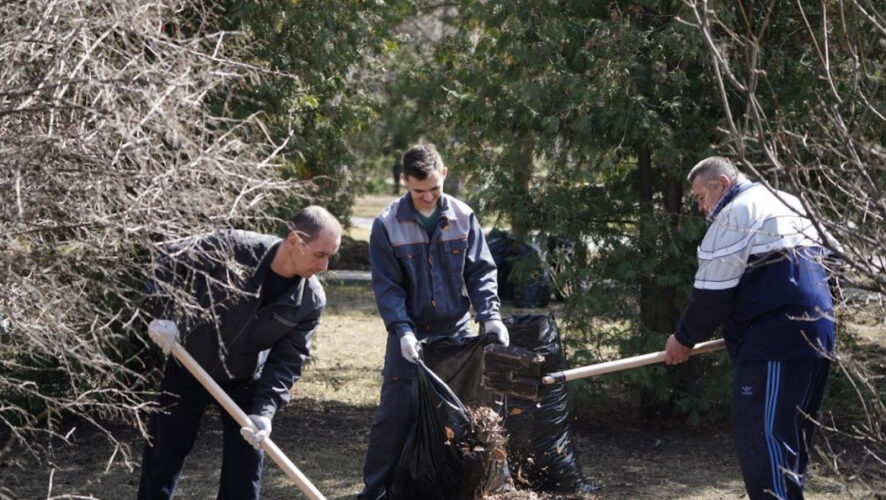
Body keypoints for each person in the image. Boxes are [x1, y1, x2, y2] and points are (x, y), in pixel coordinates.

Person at [138, 206, 342, 500]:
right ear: (295, 240)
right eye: (320, 254)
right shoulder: (234, 248)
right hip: (189, 362)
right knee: (164, 454)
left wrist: (264, 413)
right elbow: (171, 257)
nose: (324, 266)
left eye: (329, 256)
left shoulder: (309, 300)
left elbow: (288, 360)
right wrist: (161, 313)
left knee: (245, 467)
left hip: (244, 376)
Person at [664, 157, 837, 500]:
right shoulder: (790, 202)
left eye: (701, 197)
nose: (701, 207)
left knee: (763, 437)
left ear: (723, 185)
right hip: (818, 334)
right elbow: (836, 263)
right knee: (790, 440)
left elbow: (711, 297)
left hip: (775, 341)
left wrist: (682, 339)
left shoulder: (735, 215)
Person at [359, 143, 509, 500]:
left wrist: (490, 316)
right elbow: (388, 287)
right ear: (405, 182)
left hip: (455, 330)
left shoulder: (463, 215)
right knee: (395, 415)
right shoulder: (387, 225)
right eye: (418, 191)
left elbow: (481, 272)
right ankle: (376, 490)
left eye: (434, 189)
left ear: (445, 174)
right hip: (410, 334)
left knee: (462, 414)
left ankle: (458, 487)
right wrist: (402, 330)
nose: (427, 197)